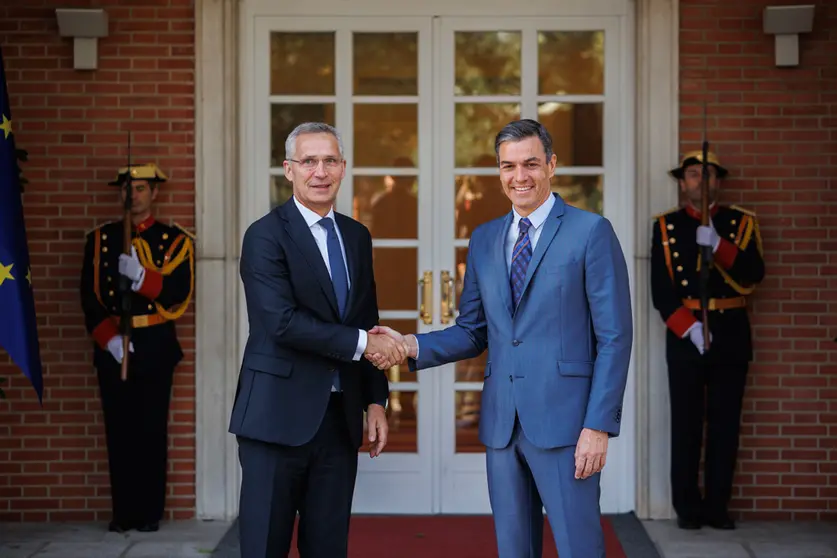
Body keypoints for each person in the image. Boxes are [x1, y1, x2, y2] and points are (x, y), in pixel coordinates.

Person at [369, 119, 633, 558]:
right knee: (513, 549)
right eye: (508, 166)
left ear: (552, 165)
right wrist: (410, 345)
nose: (520, 177)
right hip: (501, 426)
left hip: (568, 425)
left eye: (531, 163)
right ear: (498, 172)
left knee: (580, 548)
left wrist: (599, 424)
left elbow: (615, 337)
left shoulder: (591, 232)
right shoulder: (485, 238)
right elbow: (473, 331)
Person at [228, 122, 405, 558]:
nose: (320, 171)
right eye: (309, 161)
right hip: (275, 418)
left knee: (327, 548)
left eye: (330, 160)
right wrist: (366, 344)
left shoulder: (357, 236)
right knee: (264, 547)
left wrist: (376, 400)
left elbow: (367, 321)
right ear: (289, 170)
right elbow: (282, 324)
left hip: (338, 421)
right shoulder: (264, 235)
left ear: (343, 168)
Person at [651, 151, 764, 530]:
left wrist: (718, 246)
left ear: (719, 181)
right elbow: (661, 291)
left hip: (730, 332)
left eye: (708, 174)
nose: (701, 180)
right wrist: (690, 327)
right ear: (683, 182)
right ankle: (687, 508)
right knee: (685, 424)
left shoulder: (740, 223)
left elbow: (754, 275)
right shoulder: (665, 227)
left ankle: (717, 506)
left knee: (725, 424)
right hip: (685, 336)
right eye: (693, 174)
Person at [79, 162, 195, 533]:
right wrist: (108, 338)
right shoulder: (100, 239)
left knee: (150, 430)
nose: (134, 195)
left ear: (154, 193)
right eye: (128, 188)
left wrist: (143, 278)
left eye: (142, 188)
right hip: (115, 342)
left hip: (155, 343)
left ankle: (148, 514)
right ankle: (123, 513)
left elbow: (179, 292)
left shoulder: (174, 240)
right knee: (119, 430)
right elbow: (88, 295)